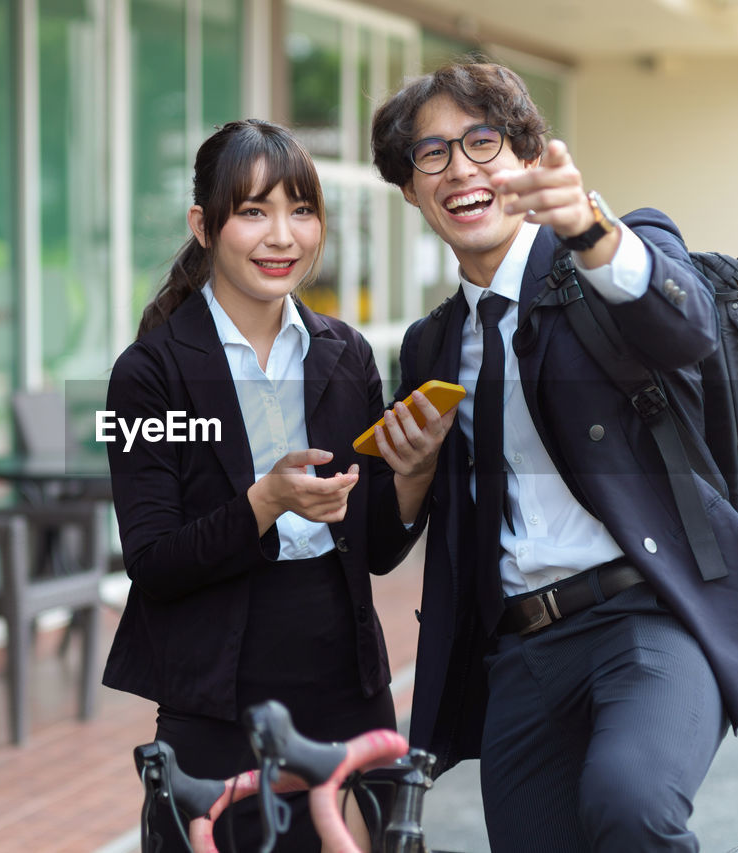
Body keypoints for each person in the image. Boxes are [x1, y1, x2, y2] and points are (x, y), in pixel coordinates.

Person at [366, 59, 738, 852]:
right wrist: (410, 475)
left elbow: (680, 327)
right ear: (411, 191)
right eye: (433, 154)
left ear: (528, 157)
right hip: (519, 651)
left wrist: (589, 230)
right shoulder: (431, 346)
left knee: (629, 806)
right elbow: (383, 543)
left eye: (482, 142)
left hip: (649, 616)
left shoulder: (611, 251)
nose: (460, 170)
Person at [101, 118, 440, 850]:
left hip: (345, 676)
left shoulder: (345, 354)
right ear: (204, 224)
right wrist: (267, 500)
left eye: (302, 210)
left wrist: (412, 476)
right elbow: (153, 561)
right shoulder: (148, 374)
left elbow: (375, 546)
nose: (282, 235)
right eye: (254, 211)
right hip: (219, 690)